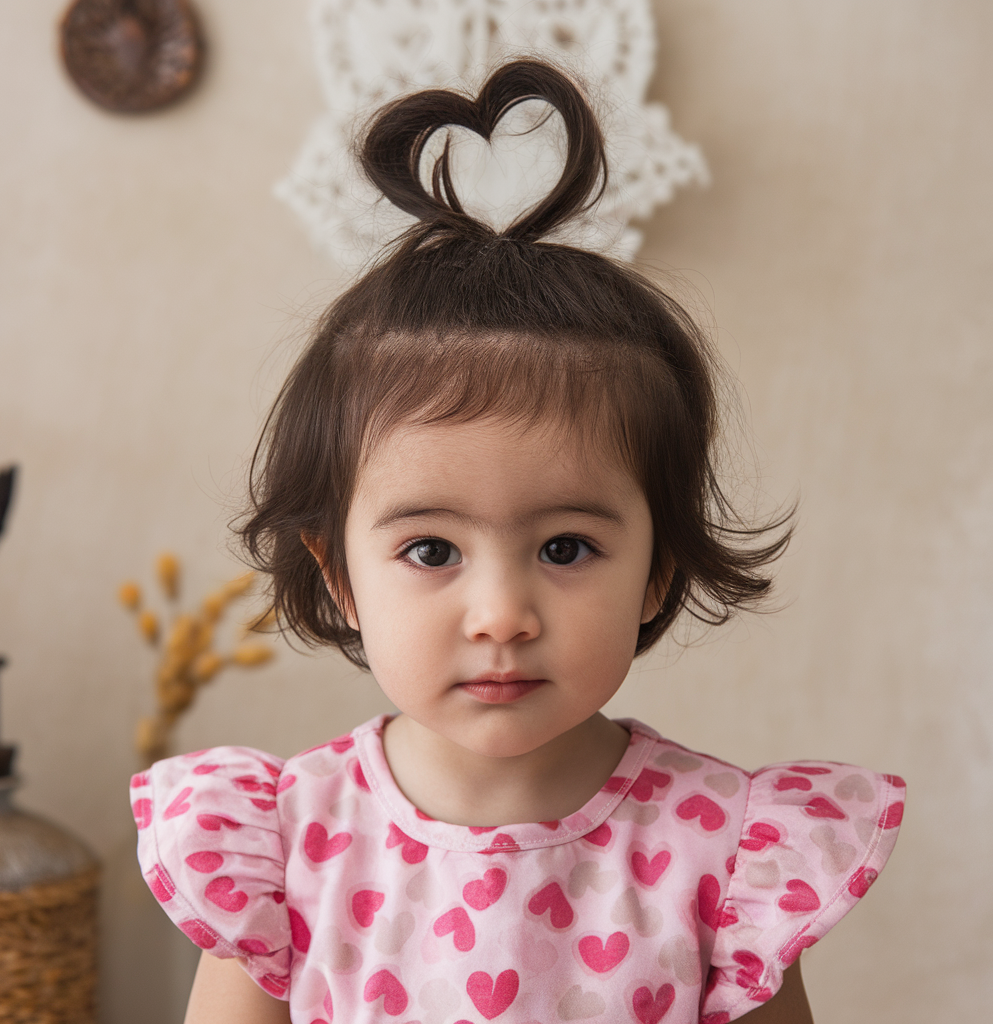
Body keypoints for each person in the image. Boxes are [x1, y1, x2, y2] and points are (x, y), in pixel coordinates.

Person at [131, 59, 904, 1024]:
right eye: (431, 551)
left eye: (567, 548)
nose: (501, 616)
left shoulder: (731, 856)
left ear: (659, 569)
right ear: (339, 579)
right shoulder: (282, 847)